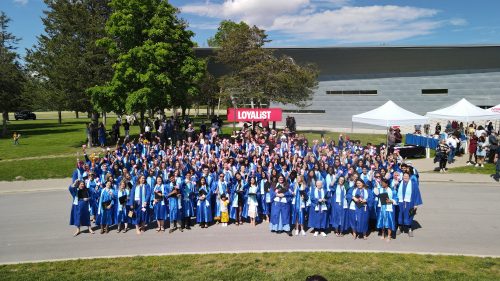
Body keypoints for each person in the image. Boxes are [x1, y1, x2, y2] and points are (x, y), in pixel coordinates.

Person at [397, 172, 423, 237]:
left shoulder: (413, 184)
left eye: (407, 176)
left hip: (410, 203)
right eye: (404, 176)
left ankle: (409, 229)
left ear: (409, 177)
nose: (405, 177)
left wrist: (416, 204)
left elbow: (417, 194)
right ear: (402, 177)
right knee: (400, 216)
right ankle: (399, 228)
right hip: (401, 203)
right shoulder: (400, 184)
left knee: (409, 216)